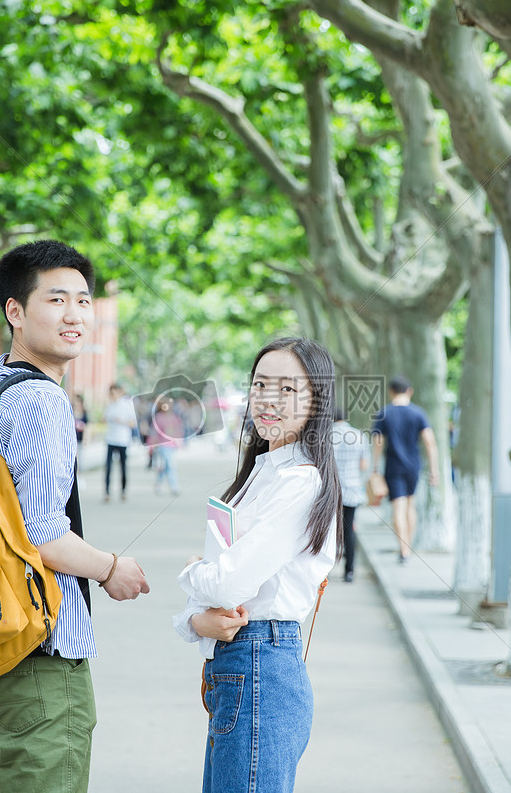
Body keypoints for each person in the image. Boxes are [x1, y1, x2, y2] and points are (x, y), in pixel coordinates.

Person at [0, 239, 149, 792]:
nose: (75, 315)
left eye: (83, 302)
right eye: (57, 300)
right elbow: (42, 533)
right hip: (39, 650)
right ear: (15, 311)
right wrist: (111, 568)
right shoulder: (41, 400)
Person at [174, 336, 343, 793]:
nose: (269, 399)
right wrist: (195, 618)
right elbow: (214, 594)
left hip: (263, 666)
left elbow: (225, 581)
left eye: (287, 389)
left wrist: (192, 570)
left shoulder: (300, 482)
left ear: (316, 399)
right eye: (261, 384)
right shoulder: (260, 474)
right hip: (240, 663)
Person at [371, 375, 439, 563]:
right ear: (409, 391)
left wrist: (375, 467)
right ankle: (408, 545)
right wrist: (435, 470)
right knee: (411, 505)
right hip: (414, 466)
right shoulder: (418, 413)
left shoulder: (384, 413)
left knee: (398, 508)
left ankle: (403, 550)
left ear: (391, 391)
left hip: (393, 466)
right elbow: (430, 443)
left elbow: (378, 441)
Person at [331, 407, 367, 582]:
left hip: (330, 491)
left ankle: (325, 569)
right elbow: (364, 465)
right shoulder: (359, 435)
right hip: (352, 489)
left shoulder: (324, 437)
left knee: (328, 530)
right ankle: (349, 571)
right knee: (349, 529)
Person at [103, 383, 135, 503]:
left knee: (123, 467)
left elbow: (133, 423)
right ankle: (107, 492)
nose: (112, 395)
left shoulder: (127, 405)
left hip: (122, 440)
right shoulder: (110, 406)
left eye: (114, 392)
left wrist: (121, 421)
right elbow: (103, 419)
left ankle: (123, 490)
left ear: (119, 392)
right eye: (110, 393)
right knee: (108, 467)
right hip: (111, 439)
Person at [147, 396, 183, 495]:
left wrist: (179, 442)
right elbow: (154, 432)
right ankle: (174, 487)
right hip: (162, 445)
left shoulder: (174, 417)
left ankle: (159, 484)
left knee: (165, 467)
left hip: (172, 446)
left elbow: (178, 431)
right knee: (170, 466)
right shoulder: (158, 417)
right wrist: (151, 445)